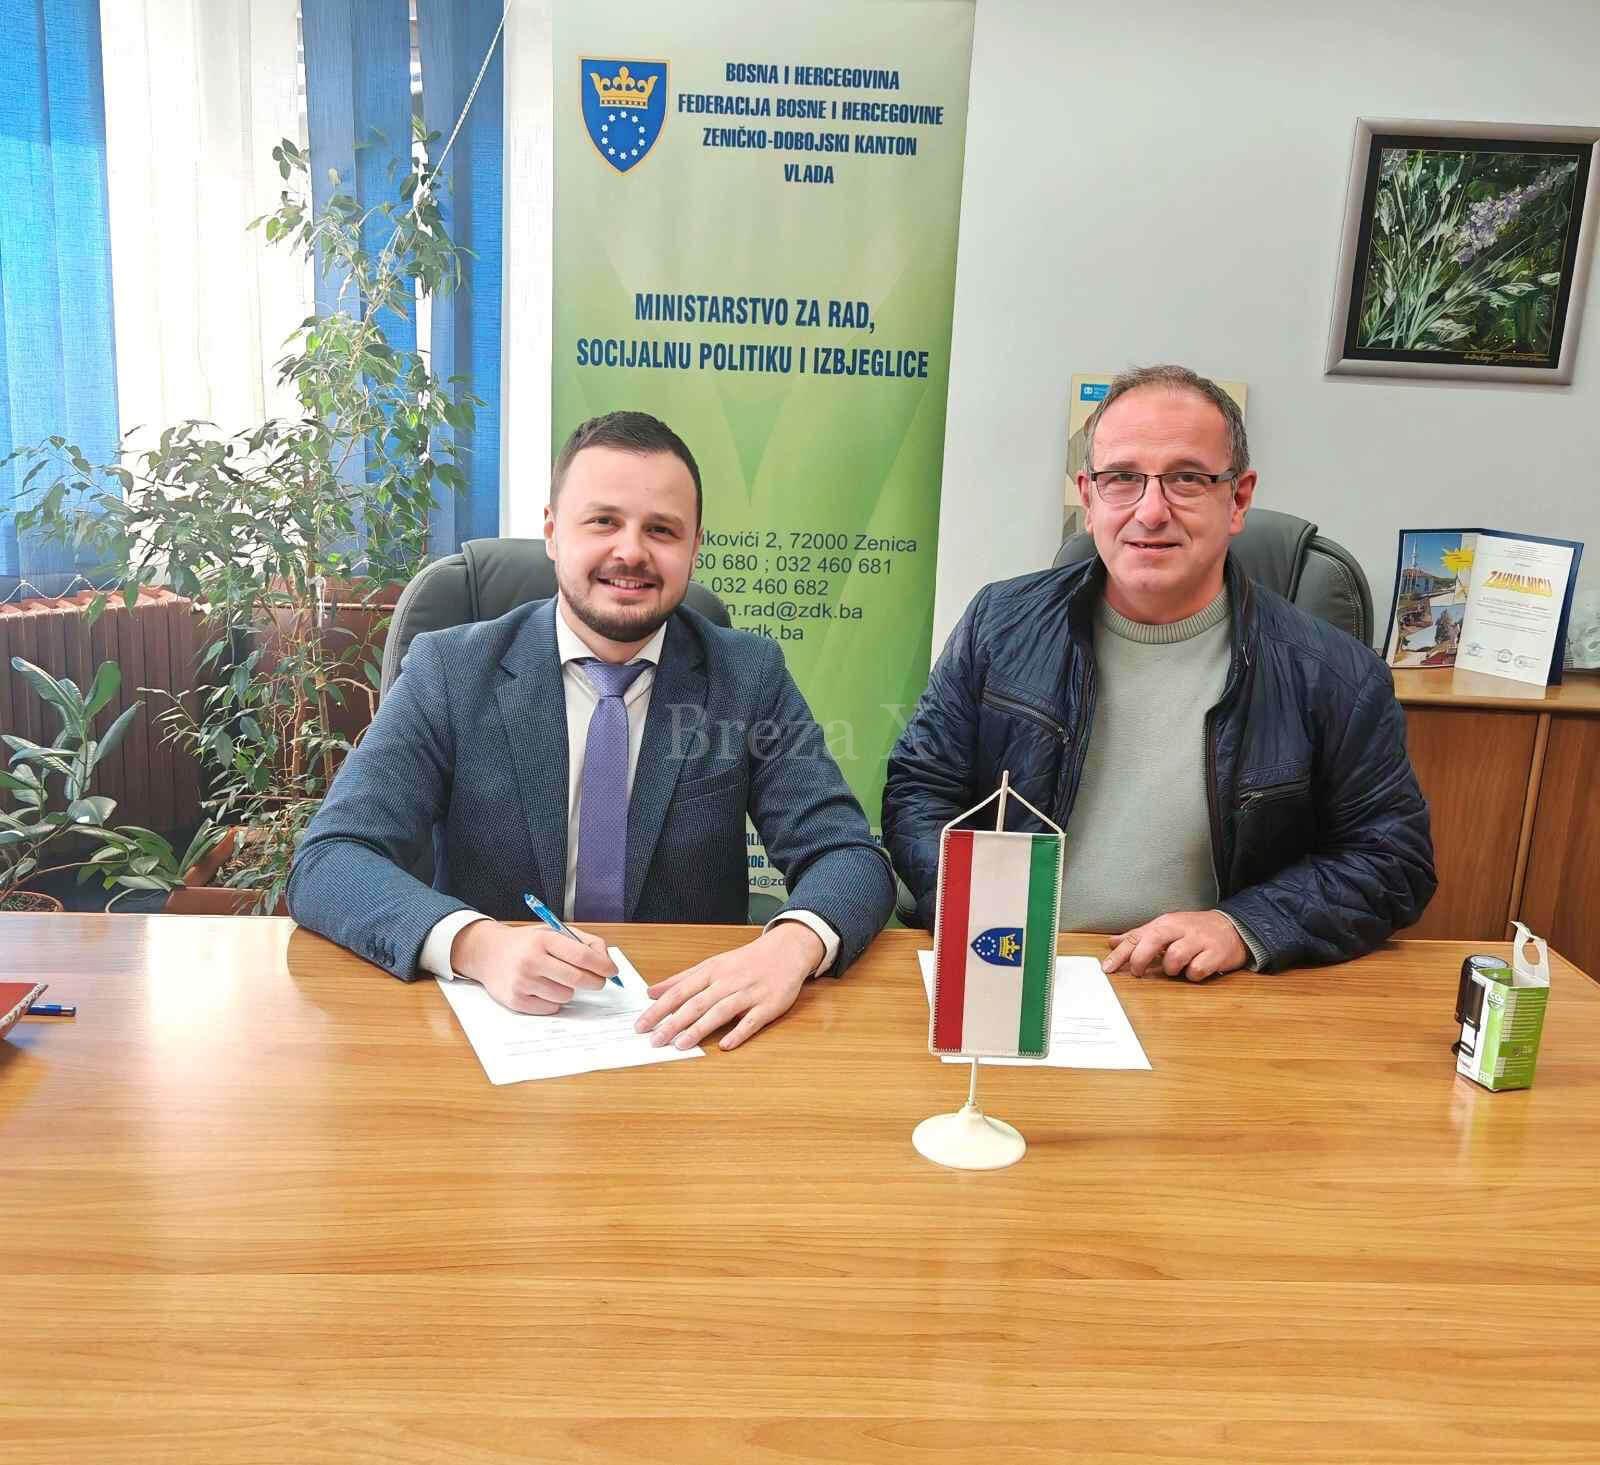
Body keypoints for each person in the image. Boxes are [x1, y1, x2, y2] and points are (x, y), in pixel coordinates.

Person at [289, 411, 894, 1049]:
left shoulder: (747, 676)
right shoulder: (452, 670)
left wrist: (790, 946)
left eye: (661, 529)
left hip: (683, 1026)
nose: (630, 551)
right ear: (553, 532)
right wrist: (476, 943)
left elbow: (848, 857)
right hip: (496, 1031)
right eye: (603, 521)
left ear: (694, 547)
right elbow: (331, 859)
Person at [882, 365, 1435, 979]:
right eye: (1122, 478)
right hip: (1010, 964)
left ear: (1238, 499)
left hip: (1203, 986)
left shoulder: (1336, 675)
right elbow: (918, 792)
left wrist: (1245, 925)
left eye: (1187, 479)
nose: (1150, 512)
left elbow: (1392, 860)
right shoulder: (999, 625)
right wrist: (985, 911)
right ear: (1089, 498)